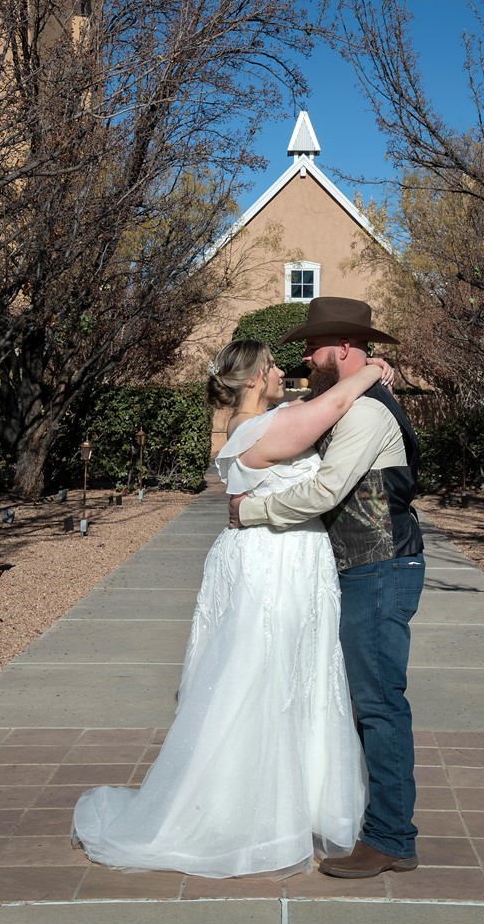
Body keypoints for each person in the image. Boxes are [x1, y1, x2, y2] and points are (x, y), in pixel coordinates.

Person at [71, 338, 394, 878]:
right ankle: (242, 810)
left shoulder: (275, 417)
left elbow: (317, 414)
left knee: (296, 674)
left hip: (292, 558)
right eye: (270, 369)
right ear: (250, 381)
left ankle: (290, 801)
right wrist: (373, 370)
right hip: (274, 564)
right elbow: (334, 406)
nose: (280, 373)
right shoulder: (257, 432)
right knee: (261, 678)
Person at [229, 297, 425, 880]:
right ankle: (380, 825)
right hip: (364, 568)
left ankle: (391, 838)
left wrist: (254, 511)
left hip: (380, 568)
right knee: (368, 701)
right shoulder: (350, 400)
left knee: (379, 704)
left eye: (313, 348)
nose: (305, 358)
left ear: (342, 347)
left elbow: (326, 492)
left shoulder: (367, 414)